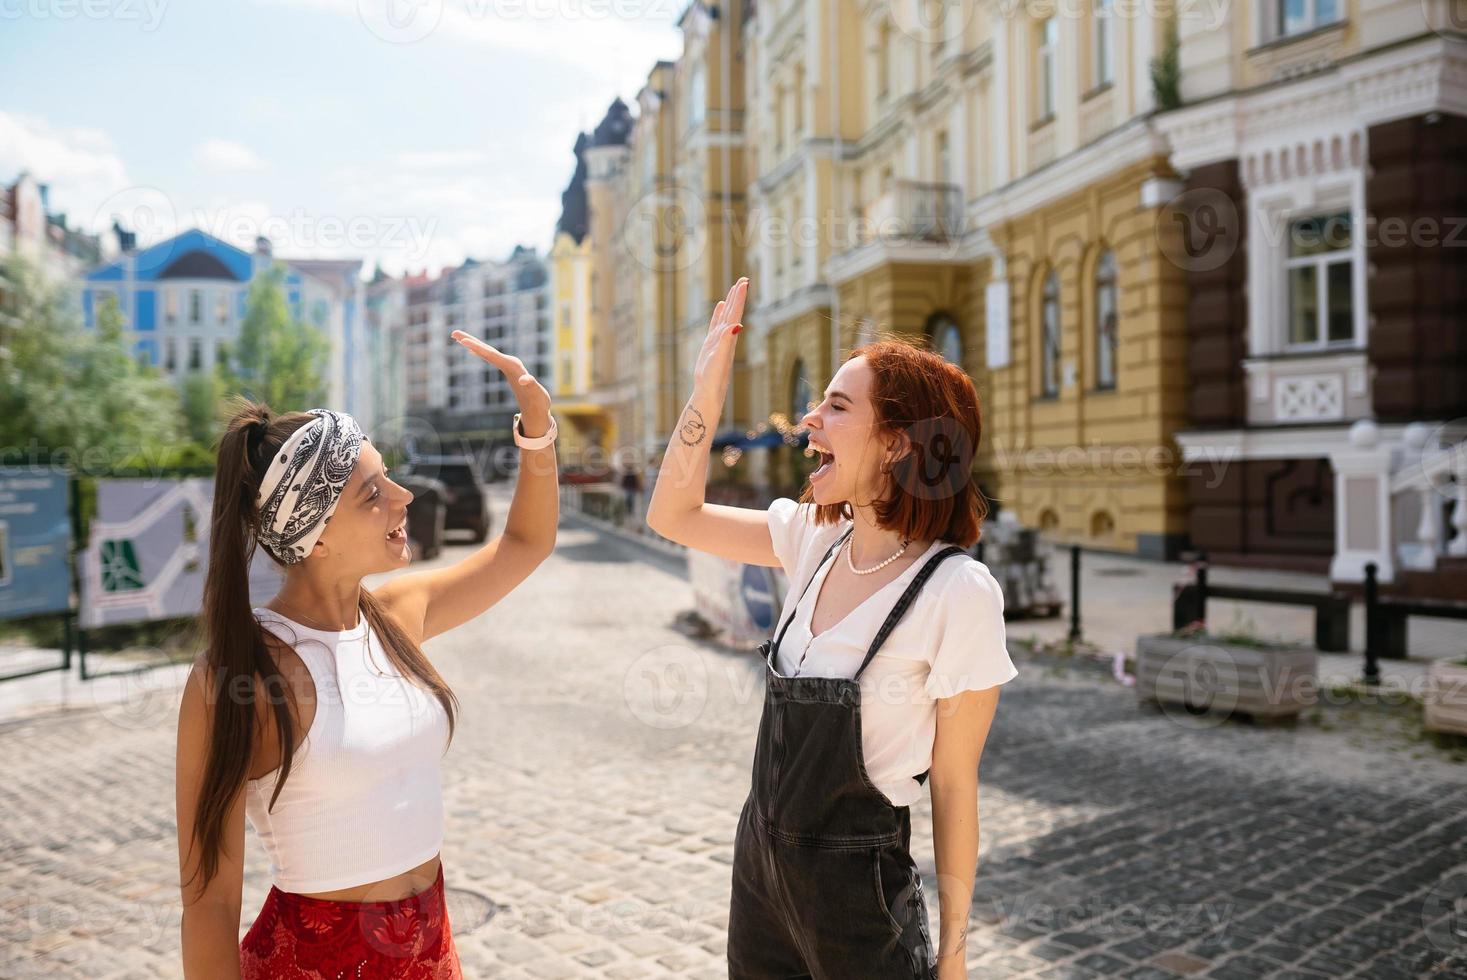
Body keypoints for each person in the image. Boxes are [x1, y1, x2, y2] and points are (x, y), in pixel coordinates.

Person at [646, 278, 1017, 980]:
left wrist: (955, 958)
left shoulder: (955, 592)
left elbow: (954, 787)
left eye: (836, 406)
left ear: (897, 445)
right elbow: (672, 515)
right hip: (759, 873)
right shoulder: (812, 540)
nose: (807, 421)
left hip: (859, 903)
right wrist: (706, 386)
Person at [174, 330, 557, 979]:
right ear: (315, 536)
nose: (403, 497)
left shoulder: (397, 618)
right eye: (373, 492)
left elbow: (525, 542)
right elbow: (209, 905)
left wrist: (538, 430)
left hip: (431, 949)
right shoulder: (238, 677)